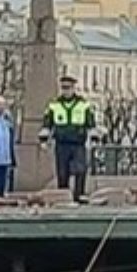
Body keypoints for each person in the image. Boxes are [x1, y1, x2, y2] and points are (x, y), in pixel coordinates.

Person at [39, 76, 96, 204]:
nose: (66, 91)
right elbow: (47, 124)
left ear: (73, 88)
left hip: (78, 143)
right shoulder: (54, 105)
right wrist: (43, 139)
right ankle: (63, 196)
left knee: (80, 170)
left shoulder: (83, 104)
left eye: (68, 88)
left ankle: (79, 195)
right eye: (63, 88)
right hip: (62, 143)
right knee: (62, 171)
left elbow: (91, 123)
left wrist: (93, 139)